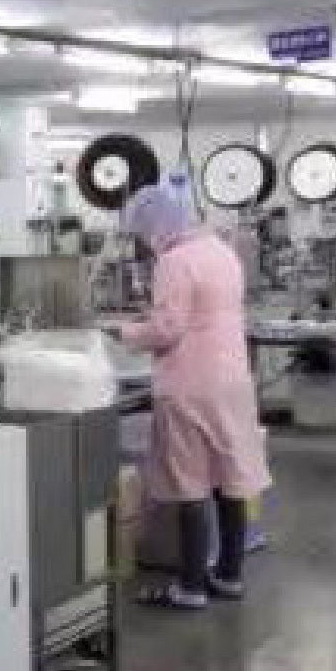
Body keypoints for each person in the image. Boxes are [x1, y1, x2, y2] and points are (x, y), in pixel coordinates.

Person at [118, 180, 269, 609]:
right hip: (232, 380)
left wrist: (122, 332)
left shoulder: (174, 262)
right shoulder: (222, 252)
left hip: (191, 385)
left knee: (192, 484)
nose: (143, 244)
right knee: (230, 479)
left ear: (155, 227)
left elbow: (167, 329)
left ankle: (190, 586)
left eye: (142, 234)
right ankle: (230, 575)